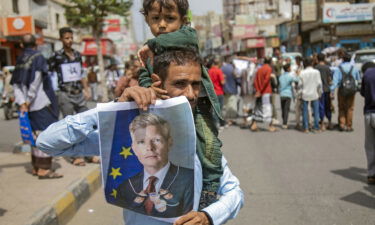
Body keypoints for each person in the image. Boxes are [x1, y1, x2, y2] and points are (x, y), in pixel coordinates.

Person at [37, 49, 243, 225]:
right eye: (180, 83)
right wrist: (115, 107)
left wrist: (208, 216)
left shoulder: (201, 138)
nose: (190, 94)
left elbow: (234, 192)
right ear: (158, 83)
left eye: (195, 85)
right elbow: (48, 143)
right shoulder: (126, 134)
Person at [136, 0, 224, 209]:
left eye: (170, 18)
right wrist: (149, 89)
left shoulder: (184, 37)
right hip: (166, 110)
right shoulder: (149, 57)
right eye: (156, 19)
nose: (163, 25)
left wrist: (152, 44)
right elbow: (143, 75)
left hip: (197, 106)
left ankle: (210, 188)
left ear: (183, 21)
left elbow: (189, 36)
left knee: (208, 144)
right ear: (147, 19)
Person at [116, 113, 193, 218]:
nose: (149, 147)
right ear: (134, 148)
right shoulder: (126, 187)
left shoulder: (189, 179)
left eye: (156, 140)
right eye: (141, 142)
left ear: (169, 143)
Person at [11, 34, 62, 179]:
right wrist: (29, 99)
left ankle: (36, 167)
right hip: (41, 103)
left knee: (34, 135)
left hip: (28, 106)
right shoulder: (39, 57)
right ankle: (44, 169)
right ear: (36, 44)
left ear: (21, 45)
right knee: (45, 135)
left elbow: (16, 84)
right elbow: (36, 80)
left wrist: (22, 102)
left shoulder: (20, 58)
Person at [48, 27, 96, 166]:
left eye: (71, 37)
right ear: (61, 39)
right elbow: (49, 75)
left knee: (87, 124)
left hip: (79, 93)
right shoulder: (56, 56)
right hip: (64, 94)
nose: (69, 40)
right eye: (66, 38)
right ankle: (76, 156)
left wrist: (86, 89)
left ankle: (90, 154)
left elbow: (82, 74)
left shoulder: (77, 54)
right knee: (71, 126)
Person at [330, 53, 361, 132]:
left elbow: (335, 81)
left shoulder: (338, 69)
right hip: (351, 91)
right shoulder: (354, 68)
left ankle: (342, 124)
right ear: (350, 59)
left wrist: (332, 91)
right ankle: (349, 125)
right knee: (350, 108)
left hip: (342, 90)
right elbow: (358, 79)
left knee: (341, 107)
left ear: (343, 59)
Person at [251, 57, 277, 132]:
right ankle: (270, 126)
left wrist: (258, 90)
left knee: (258, 108)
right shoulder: (268, 69)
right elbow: (266, 80)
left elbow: (255, 81)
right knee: (268, 109)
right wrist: (260, 90)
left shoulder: (259, 69)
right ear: (270, 62)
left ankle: (254, 124)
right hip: (266, 91)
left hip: (259, 91)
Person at [360, 62, 375, 185]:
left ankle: (371, 174)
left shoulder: (366, 75)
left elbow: (363, 93)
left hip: (369, 114)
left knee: (370, 145)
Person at [299, 58, 322, 133]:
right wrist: (320, 93)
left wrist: (299, 94)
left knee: (305, 111)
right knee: (316, 111)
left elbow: (300, 85)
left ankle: (306, 128)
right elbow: (319, 84)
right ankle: (316, 127)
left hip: (305, 94)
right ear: (312, 63)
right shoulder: (316, 72)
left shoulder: (302, 73)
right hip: (314, 93)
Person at [315, 53, 333, 130]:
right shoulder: (327, 68)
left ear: (317, 59)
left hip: (318, 90)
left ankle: (322, 123)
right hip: (327, 89)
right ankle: (329, 122)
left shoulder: (315, 68)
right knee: (328, 105)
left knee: (321, 106)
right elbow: (330, 80)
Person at [278, 63, 300, 129]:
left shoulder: (281, 77)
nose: (290, 69)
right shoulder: (290, 76)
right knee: (286, 109)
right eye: (290, 68)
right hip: (288, 94)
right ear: (288, 69)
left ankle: (284, 120)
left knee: (283, 108)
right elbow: (297, 80)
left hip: (282, 94)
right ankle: (285, 123)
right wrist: (297, 74)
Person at [208, 58, 226, 129]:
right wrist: (224, 78)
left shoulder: (209, 71)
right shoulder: (219, 71)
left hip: (212, 93)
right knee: (219, 109)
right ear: (218, 64)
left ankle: (215, 123)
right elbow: (222, 82)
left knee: (213, 108)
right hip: (219, 92)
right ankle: (219, 123)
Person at [221, 56, 239, 125]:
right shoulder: (233, 68)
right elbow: (237, 79)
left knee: (226, 104)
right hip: (232, 88)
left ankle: (227, 119)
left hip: (224, 89)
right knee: (232, 104)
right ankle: (231, 120)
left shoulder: (222, 68)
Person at [293, 55, 304, 130]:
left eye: (296, 60)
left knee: (300, 107)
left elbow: (297, 79)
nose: (295, 62)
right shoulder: (297, 68)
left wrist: (296, 74)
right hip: (298, 89)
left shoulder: (302, 68)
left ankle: (303, 123)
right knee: (298, 107)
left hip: (301, 89)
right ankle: (298, 123)